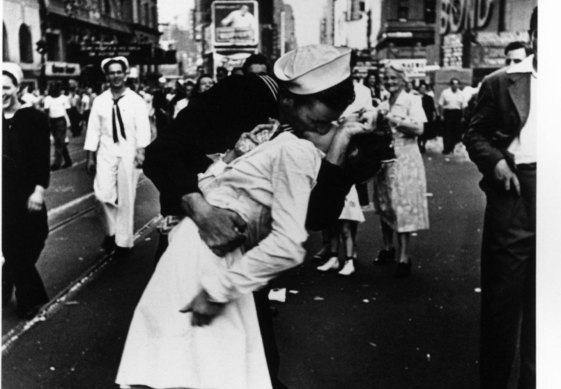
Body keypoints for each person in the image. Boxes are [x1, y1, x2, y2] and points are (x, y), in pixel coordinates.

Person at [117, 44, 373, 389]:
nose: (327, 124)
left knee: (245, 364)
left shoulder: (318, 133)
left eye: (339, 109)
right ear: (290, 98)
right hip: (201, 245)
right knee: (186, 366)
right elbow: (163, 152)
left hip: (244, 261)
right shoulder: (245, 93)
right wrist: (202, 210)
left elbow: (314, 217)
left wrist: (338, 159)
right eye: (324, 109)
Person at [463, 7, 537, 389]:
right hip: (515, 192)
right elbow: (473, 134)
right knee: (502, 304)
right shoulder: (501, 82)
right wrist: (496, 164)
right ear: (534, 36)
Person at [84, 56, 151, 256]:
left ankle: (123, 242)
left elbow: (143, 128)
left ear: (125, 74)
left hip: (129, 151)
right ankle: (111, 231)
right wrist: (90, 156)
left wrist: (141, 152)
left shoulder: (135, 100)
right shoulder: (100, 101)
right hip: (106, 151)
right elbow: (93, 130)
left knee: (127, 197)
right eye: (111, 73)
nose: (115, 76)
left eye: (119, 72)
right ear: (107, 76)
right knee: (102, 195)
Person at [2, 63, 51, 319]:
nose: (1, 93)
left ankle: (9, 272)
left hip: (28, 192)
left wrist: (39, 190)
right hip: (3, 196)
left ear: (18, 88)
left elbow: (41, 158)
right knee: (11, 245)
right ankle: (28, 299)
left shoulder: (33, 119)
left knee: (36, 237)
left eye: (6, 87)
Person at [372, 64, 429, 278]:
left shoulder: (412, 100)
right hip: (385, 158)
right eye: (386, 79)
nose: (389, 82)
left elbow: (419, 128)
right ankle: (388, 247)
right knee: (385, 204)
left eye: (393, 78)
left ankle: (404, 256)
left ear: (403, 79)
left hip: (406, 157)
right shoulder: (384, 102)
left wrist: (392, 119)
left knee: (402, 204)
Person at [43, 82, 72, 170]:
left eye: (55, 88)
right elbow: (46, 111)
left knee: (58, 142)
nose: (53, 89)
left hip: (60, 121)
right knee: (59, 142)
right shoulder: (48, 99)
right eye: (51, 88)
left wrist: (69, 122)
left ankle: (56, 164)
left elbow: (68, 110)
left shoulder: (64, 98)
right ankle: (68, 161)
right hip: (52, 121)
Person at [438, 77, 466, 154]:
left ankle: (452, 147)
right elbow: (440, 104)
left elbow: (463, 106)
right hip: (448, 113)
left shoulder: (461, 94)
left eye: (457, 84)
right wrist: (441, 115)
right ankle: (446, 148)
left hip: (457, 114)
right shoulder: (445, 92)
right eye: (454, 84)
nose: (455, 86)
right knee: (447, 131)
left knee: (456, 132)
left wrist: (463, 116)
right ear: (451, 85)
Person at [417, 83, 437, 153]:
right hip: (417, 117)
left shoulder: (429, 98)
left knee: (425, 132)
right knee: (419, 132)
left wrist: (434, 115)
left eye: (424, 88)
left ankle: (423, 145)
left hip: (426, 117)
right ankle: (419, 145)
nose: (423, 89)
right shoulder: (415, 97)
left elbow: (432, 108)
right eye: (421, 88)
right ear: (419, 88)